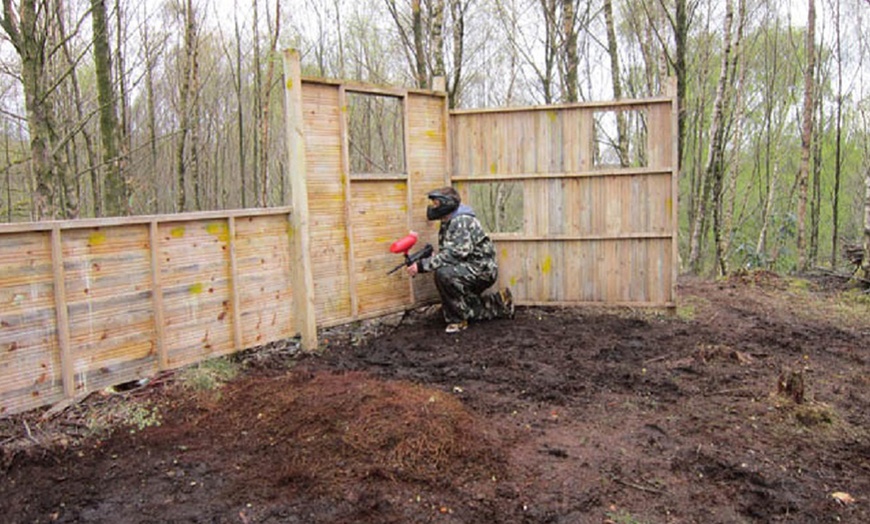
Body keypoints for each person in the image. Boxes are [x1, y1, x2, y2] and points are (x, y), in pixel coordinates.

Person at [407, 186, 514, 333]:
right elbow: (454, 251)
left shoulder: (461, 220)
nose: (433, 207)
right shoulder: (450, 220)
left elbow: (455, 254)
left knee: (444, 275)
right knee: (456, 299)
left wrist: (422, 265)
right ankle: (500, 302)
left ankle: (458, 321)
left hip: (481, 270)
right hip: (472, 267)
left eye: (436, 203)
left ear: (447, 203)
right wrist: (433, 259)